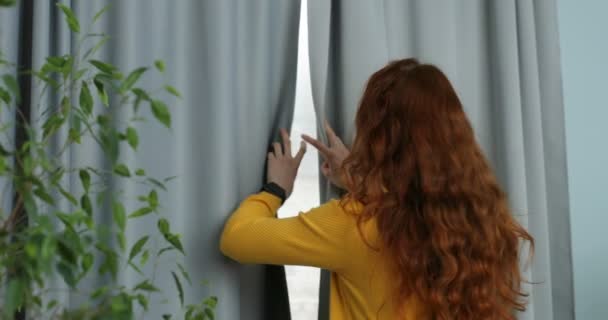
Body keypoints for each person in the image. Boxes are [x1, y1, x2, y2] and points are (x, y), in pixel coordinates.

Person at [220, 58, 534, 320]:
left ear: (376, 140)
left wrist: (275, 189)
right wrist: (360, 185)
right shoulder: (486, 218)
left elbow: (236, 238)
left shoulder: (354, 224)